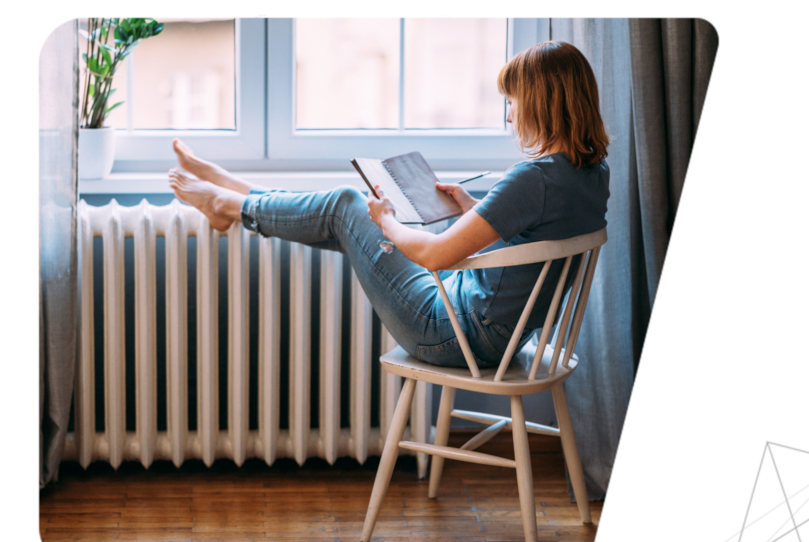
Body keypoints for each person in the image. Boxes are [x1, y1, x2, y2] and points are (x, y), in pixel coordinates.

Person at [167, 41, 610, 368]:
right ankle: (239, 196)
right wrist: (471, 206)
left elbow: (437, 256)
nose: (509, 115)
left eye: (512, 102)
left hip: (456, 335)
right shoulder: (590, 175)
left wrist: (388, 221)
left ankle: (234, 204)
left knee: (347, 205)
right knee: (343, 218)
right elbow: (540, 235)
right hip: (497, 331)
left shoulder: (533, 179)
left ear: (541, 104)